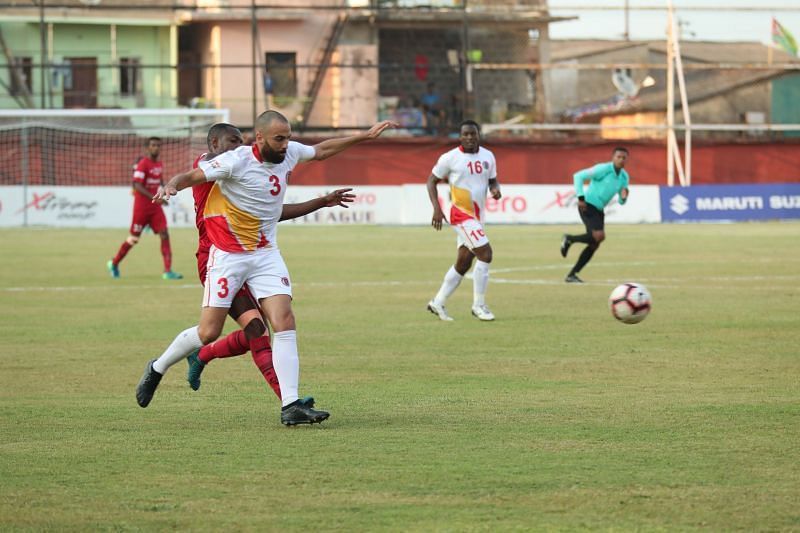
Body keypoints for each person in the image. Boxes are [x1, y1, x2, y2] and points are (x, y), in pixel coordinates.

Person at [135, 111, 397, 426]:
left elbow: (322, 150)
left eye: (288, 137)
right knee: (209, 331)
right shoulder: (234, 162)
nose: (287, 145)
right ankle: (158, 367)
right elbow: (191, 176)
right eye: (279, 138)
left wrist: (365, 136)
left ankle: (290, 405)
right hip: (227, 256)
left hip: (265, 253)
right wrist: (171, 186)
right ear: (260, 138)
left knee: (283, 320)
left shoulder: (289, 153)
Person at [186, 122, 354, 408]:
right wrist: (171, 185)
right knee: (255, 331)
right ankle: (288, 401)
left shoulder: (243, 168)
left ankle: (208, 357)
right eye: (231, 142)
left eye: (240, 142)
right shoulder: (212, 165)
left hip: (253, 253)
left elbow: (272, 212)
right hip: (219, 256)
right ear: (213, 144)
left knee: (263, 327)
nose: (237, 147)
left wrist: (321, 201)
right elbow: (194, 173)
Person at [425, 120, 501, 322]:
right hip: (461, 215)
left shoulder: (488, 156)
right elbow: (431, 181)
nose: (469, 137)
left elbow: (492, 179)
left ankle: (438, 302)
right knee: (486, 254)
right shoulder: (450, 158)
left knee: (464, 262)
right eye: (465, 134)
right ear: (460, 136)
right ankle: (479, 305)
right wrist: (437, 209)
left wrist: (495, 188)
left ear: (478, 135)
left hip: (478, 216)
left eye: (472, 134)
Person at [107, 137, 183, 280]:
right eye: (153, 145)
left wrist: (163, 194)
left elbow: (159, 181)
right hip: (141, 207)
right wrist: (154, 197)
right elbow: (137, 185)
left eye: (158, 145)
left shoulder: (159, 164)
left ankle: (168, 271)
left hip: (155, 207)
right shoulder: (143, 164)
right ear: (147, 148)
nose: (156, 148)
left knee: (165, 234)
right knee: (133, 239)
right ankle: (114, 263)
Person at [561, 147, 630, 283]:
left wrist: (624, 197)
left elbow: (622, 201)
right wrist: (580, 198)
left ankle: (572, 275)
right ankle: (569, 239)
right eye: (618, 157)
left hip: (599, 209)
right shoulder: (603, 169)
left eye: (624, 158)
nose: (621, 160)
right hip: (587, 204)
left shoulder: (624, 177)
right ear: (613, 157)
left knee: (595, 243)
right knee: (599, 235)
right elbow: (578, 176)